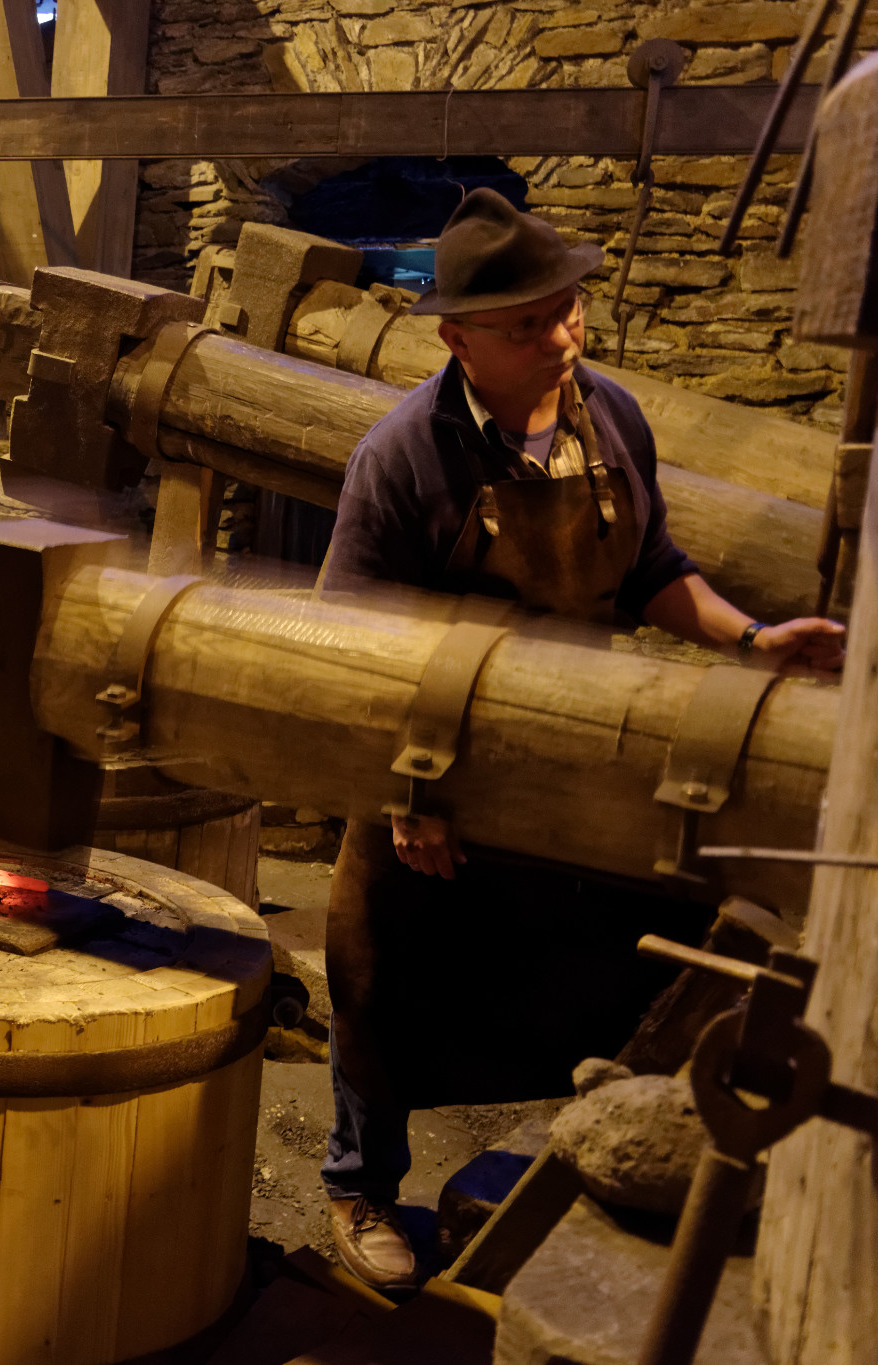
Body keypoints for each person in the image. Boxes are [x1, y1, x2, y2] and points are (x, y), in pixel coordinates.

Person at [317, 188, 844, 1292]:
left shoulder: (609, 418)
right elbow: (351, 647)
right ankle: (359, 1185)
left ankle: (557, 1162)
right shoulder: (401, 458)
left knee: (594, 959)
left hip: (565, 752)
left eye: (567, 311)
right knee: (383, 974)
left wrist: (753, 640)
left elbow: (649, 569)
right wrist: (405, 794)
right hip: (430, 762)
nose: (560, 338)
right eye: (525, 326)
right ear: (457, 340)